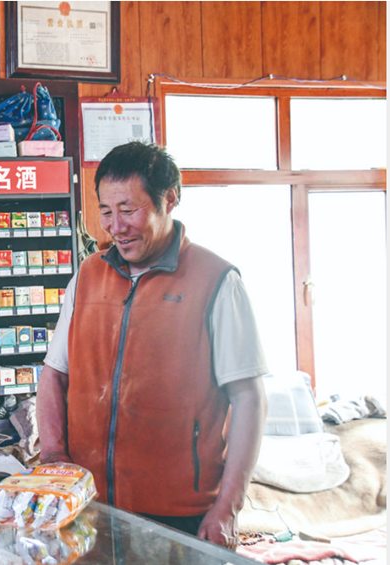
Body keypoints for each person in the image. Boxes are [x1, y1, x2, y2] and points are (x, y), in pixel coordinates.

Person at [37, 142, 268, 550]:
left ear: (169, 199)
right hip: (86, 504)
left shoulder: (216, 280)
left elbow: (249, 398)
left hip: (179, 514)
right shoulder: (87, 277)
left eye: (128, 210)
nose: (116, 226)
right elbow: (55, 374)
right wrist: (54, 456)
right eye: (106, 211)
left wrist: (228, 507)